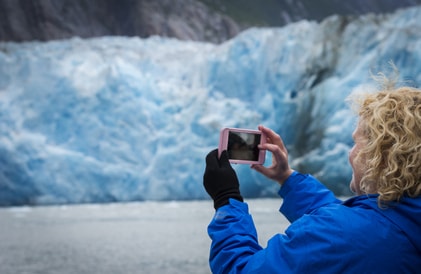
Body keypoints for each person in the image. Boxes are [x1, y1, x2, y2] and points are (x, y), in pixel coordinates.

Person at [203, 84, 421, 273]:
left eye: (356, 143)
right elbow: (363, 224)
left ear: (382, 157)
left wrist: (226, 199)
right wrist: (287, 178)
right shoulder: (404, 221)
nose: (350, 153)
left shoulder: (347, 235)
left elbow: (241, 270)